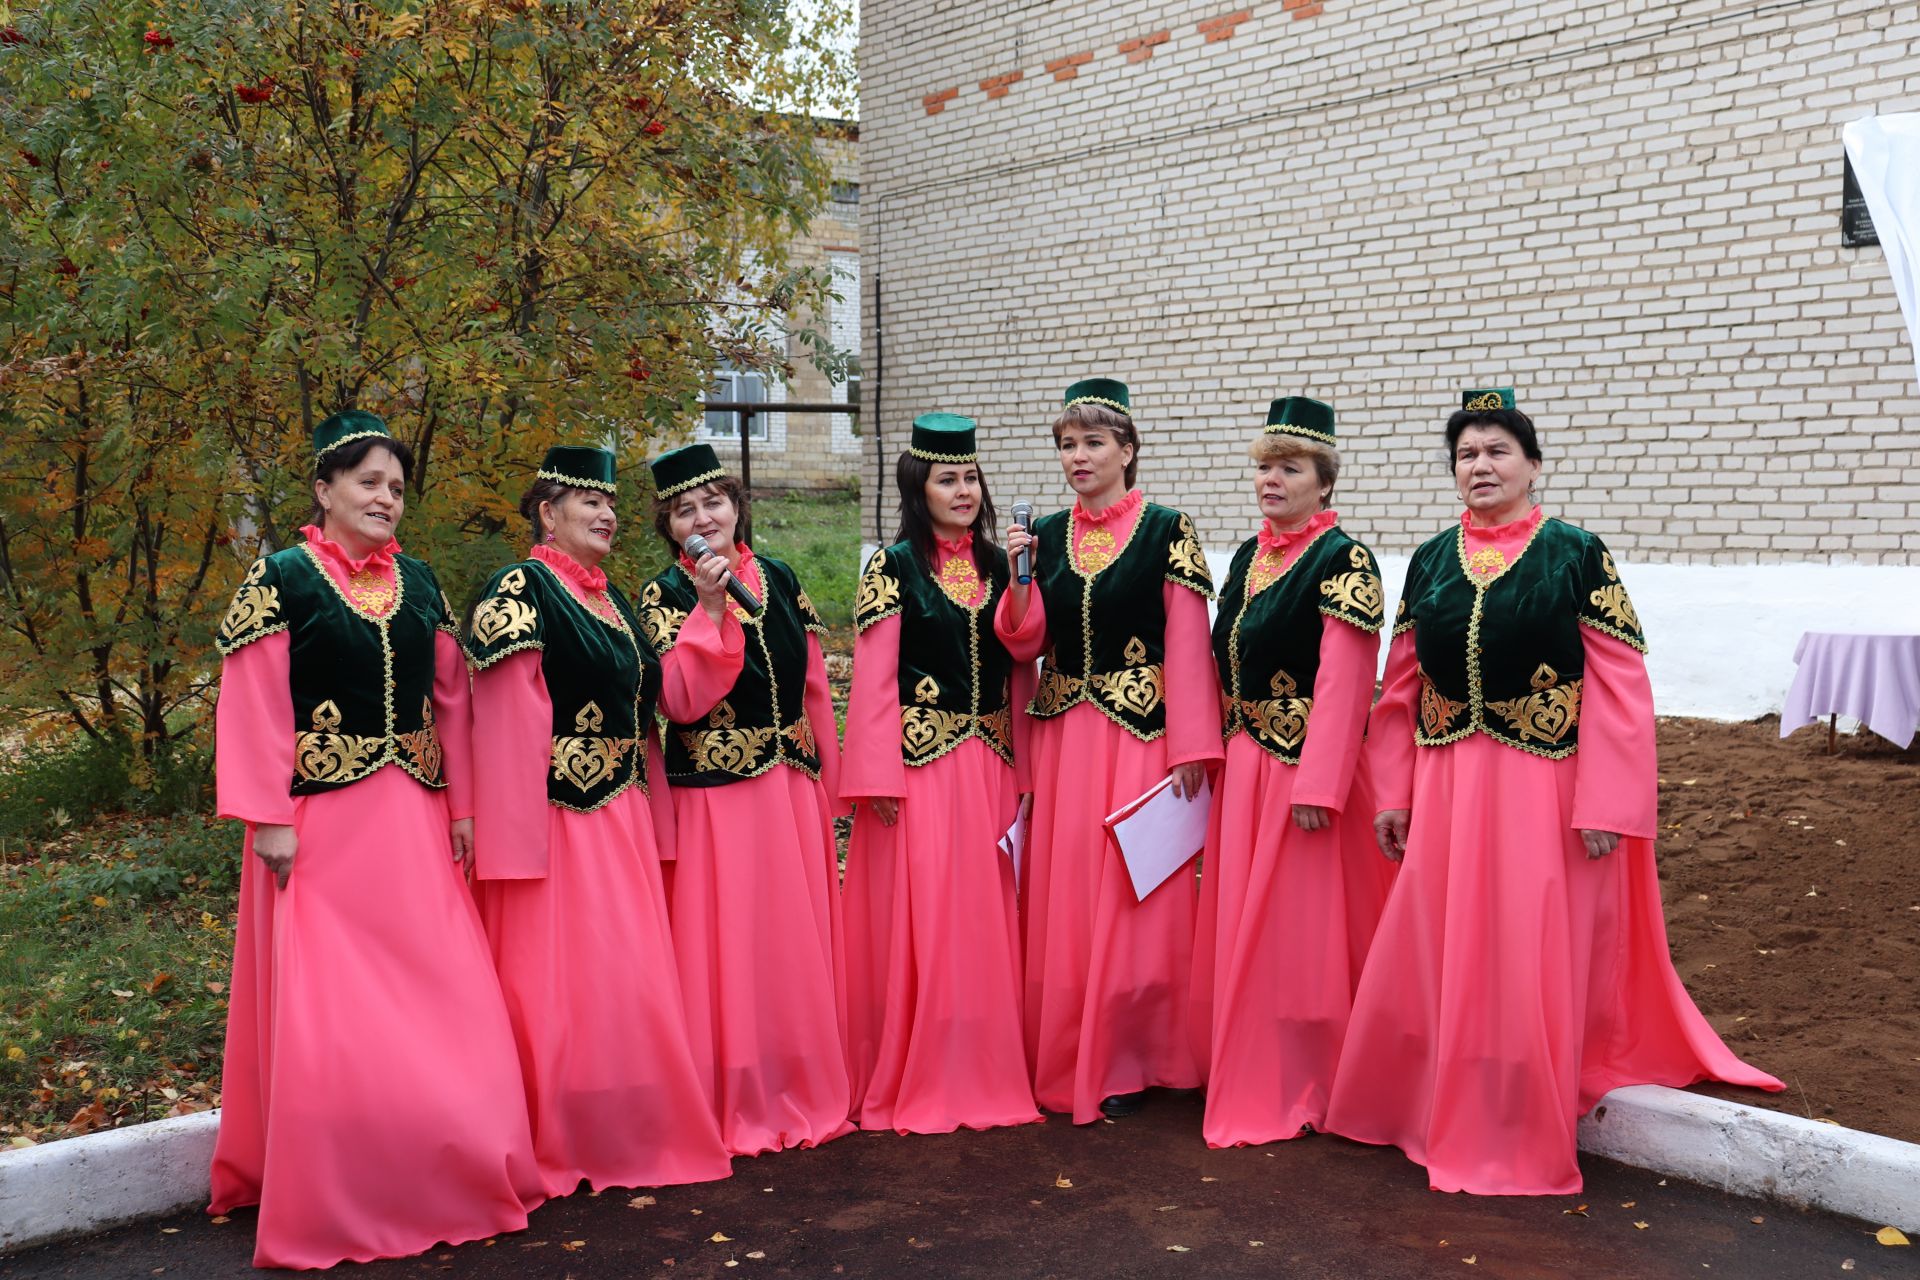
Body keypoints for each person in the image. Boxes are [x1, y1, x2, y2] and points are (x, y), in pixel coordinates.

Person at [1322, 389, 1784, 1195]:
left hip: (1545, 783)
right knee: (1445, 935)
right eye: (1467, 454)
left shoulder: (1575, 551)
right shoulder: (1431, 559)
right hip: (1448, 785)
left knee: (1526, 934)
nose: (1481, 466)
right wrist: (1392, 793)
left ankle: (1513, 1110)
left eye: (1498, 450)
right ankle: (1435, 1097)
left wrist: (1607, 801)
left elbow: (1619, 684)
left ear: (1533, 465)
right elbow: (1399, 690)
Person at [209, 411, 541, 1268]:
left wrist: (464, 808)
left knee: (442, 985)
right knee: (335, 1004)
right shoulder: (280, 577)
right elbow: (252, 698)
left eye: (395, 487)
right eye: (368, 483)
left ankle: (449, 1157)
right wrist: (267, 816)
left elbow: (453, 704)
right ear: (324, 491)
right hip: (320, 827)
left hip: (413, 820)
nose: (386, 498)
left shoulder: (420, 582)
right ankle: (342, 1179)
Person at [464, 445, 733, 1197]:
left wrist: (710, 614)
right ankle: (558, 1132)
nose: (608, 514)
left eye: (611, 504)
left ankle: (620, 1128)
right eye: (589, 503)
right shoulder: (521, 588)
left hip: (621, 812)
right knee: (554, 980)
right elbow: (506, 717)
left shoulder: (612, 601)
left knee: (620, 977)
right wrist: (513, 842)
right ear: (548, 514)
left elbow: (672, 704)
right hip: (551, 816)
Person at [996, 377, 1223, 1123]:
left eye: (1094, 442)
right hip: (1064, 737)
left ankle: (1133, 1053)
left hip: (1141, 735)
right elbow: (1025, 643)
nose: (1079, 457)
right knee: (1066, 894)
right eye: (1067, 445)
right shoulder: (1047, 537)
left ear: (1128, 450)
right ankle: (1064, 1050)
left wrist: (1193, 742)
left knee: (1136, 889)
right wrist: (1019, 577)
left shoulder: (1167, 529)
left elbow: (1189, 640)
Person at [1189, 397, 1395, 1148]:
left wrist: (1319, 784)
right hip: (1249, 765)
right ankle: (1254, 1057)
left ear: (1324, 479)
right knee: (1254, 920)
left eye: (1289, 468)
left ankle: (1316, 1072)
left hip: (1308, 771)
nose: (1271, 480)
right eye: (1264, 467)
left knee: (1305, 930)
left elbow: (1346, 679)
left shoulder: (1345, 559)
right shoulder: (1248, 556)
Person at [636, 443, 853, 1155]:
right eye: (684, 511)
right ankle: (734, 1090)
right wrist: (707, 607)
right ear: (670, 529)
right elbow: (678, 699)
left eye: (713, 502)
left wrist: (832, 779)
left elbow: (813, 684)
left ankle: (799, 1073)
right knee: (732, 943)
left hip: (790, 788)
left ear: (737, 506)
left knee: (791, 940)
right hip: (716, 799)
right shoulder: (662, 596)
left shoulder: (782, 577)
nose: (703, 518)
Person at [841, 414, 1041, 1134]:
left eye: (970, 477)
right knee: (928, 915)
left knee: (982, 915)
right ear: (917, 488)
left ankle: (979, 1062)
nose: (963, 490)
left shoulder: (999, 562)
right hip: (919, 767)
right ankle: (925, 1065)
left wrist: (1022, 580)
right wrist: (876, 778)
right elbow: (873, 678)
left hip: (989, 763)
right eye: (947, 479)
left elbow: (1024, 652)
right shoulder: (892, 567)